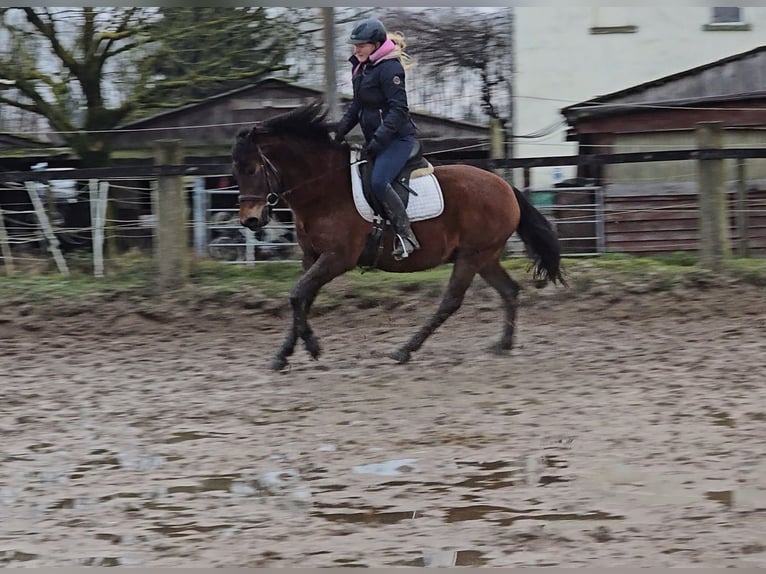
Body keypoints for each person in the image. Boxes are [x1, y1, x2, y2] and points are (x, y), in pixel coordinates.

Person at [333, 17, 421, 259]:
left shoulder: (390, 68)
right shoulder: (360, 67)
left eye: (361, 45)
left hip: (398, 140)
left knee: (379, 182)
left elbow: (399, 110)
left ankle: (406, 235)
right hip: (377, 140)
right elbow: (356, 108)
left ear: (376, 45)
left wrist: (379, 140)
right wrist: (338, 134)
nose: (356, 49)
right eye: (355, 45)